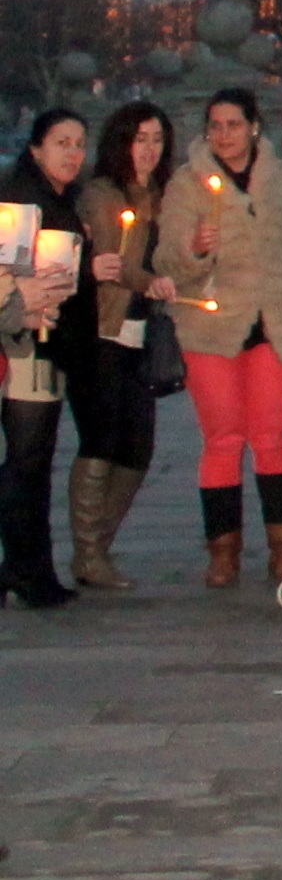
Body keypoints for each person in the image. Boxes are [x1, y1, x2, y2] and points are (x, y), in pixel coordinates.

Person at [152, 89, 282, 587]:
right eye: (215, 126)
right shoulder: (187, 184)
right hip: (212, 323)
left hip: (273, 321)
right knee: (222, 440)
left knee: (271, 438)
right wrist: (194, 249)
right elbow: (165, 259)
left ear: (254, 127)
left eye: (233, 124)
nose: (223, 135)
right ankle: (223, 550)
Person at [63, 102, 172, 592]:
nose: (148, 149)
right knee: (102, 438)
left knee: (138, 447)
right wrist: (149, 281)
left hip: (141, 336)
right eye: (139, 138)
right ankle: (88, 553)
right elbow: (113, 259)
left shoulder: (166, 196)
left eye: (156, 139)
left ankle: (98, 548)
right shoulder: (103, 194)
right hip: (101, 332)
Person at [0, 111, 91, 607]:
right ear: (36, 148)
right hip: (24, 342)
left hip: (48, 340)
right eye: (61, 142)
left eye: (79, 143)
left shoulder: (63, 198)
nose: (73, 152)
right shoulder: (20, 201)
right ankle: (27, 571)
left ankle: (24, 566)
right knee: (27, 462)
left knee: (31, 461)